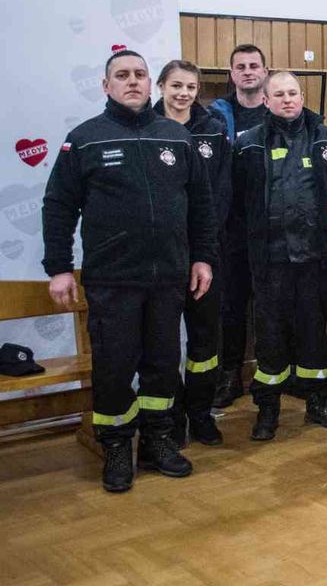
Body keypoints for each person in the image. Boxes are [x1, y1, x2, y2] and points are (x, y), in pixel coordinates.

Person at [43, 49, 216, 493]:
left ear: (150, 83)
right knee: (115, 369)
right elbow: (58, 207)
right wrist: (59, 267)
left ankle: (158, 441)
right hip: (112, 279)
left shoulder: (175, 137)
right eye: (122, 75)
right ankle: (117, 445)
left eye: (139, 74)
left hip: (169, 277)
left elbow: (201, 205)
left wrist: (202, 257)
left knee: (162, 365)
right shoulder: (84, 139)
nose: (132, 81)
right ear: (106, 86)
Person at [233, 71, 327, 442]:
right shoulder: (248, 144)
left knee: (314, 332)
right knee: (270, 337)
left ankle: (319, 400)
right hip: (269, 261)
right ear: (265, 99)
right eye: (279, 94)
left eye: (293, 93)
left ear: (303, 96)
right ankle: (268, 407)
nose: (287, 99)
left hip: (314, 259)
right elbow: (237, 205)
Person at [155, 60, 231, 446]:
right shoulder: (147, 131)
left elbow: (219, 194)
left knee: (204, 343)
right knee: (163, 343)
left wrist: (205, 248)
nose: (183, 93)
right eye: (176, 86)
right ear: (161, 87)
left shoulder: (213, 132)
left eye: (190, 87)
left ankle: (201, 414)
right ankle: (170, 418)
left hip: (205, 254)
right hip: (162, 258)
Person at [211, 43, 269, 409]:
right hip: (229, 232)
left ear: (265, 71)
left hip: (270, 229)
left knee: (270, 308)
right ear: (231, 74)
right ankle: (229, 375)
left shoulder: (279, 113)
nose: (248, 71)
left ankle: (273, 375)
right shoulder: (216, 118)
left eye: (254, 65)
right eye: (240, 67)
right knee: (230, 309)